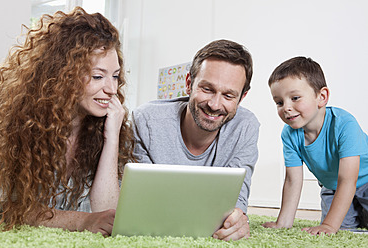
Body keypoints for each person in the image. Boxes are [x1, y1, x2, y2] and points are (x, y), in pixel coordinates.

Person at [0, 7, 135, 236]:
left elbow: (107, 214)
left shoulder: (110, 123)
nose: (111, 89)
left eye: (116, 75)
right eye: (98, 76)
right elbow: (11, 207)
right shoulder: (15, 123)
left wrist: (111, 138)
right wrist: (82, 221)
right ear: (63, 74)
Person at [132, 39, 260, 241]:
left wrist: (237, 219)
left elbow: (238, 196)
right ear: (189, 84)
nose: (215, 104)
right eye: (207, 89)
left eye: (228, 95)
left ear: (241, 98)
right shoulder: (146, 121)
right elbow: (136, 199)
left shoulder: (246, 127)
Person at [263, 56, 368, 235]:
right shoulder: (289, 134)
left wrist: (329, 225)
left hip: (364, 182)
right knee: (341, 231)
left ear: (322, 97)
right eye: (279, 102)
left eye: (295, 98)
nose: (286, 107)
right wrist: (283, 222)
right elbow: (292, 180)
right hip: (333, 188)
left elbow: (347, 180)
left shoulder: (344, 124)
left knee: (330, 226)